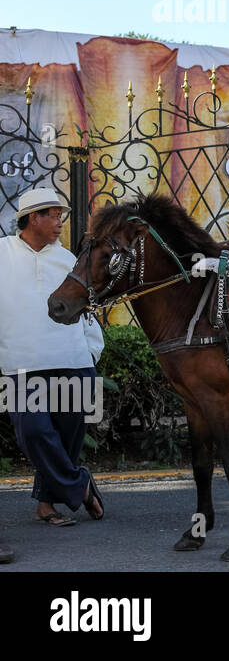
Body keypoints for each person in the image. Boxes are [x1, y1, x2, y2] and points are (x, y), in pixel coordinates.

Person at [0, 187, 105, 528]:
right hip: (20, 364)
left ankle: (47, 506)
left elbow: (87, 312)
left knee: (66, 438)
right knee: (32, 433)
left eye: (62, 215)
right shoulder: (2, 254)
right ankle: (80, 486)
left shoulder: (68, 260)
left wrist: (90, 352)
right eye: (54, 215)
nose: (61, 222)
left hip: (73, 360)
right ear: (34, 217)